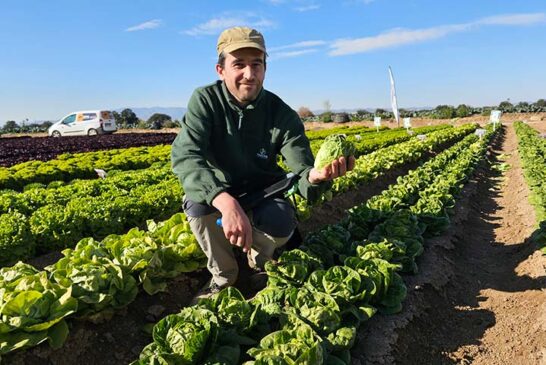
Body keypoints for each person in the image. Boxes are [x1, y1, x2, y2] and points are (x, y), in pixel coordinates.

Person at [171, 26, 355, 300]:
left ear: (265, 69)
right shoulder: (205, 101)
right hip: (219, 192)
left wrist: (316, 177)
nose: (249, 74)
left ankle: (260, 264)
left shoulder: (280, 113)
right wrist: (225, 200)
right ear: (220, 70)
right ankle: (224, 276)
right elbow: (186, 156)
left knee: (280, 218)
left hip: (262, 194)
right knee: (197, 203)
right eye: (239, 65)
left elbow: (302, 170)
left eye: (256, 65)